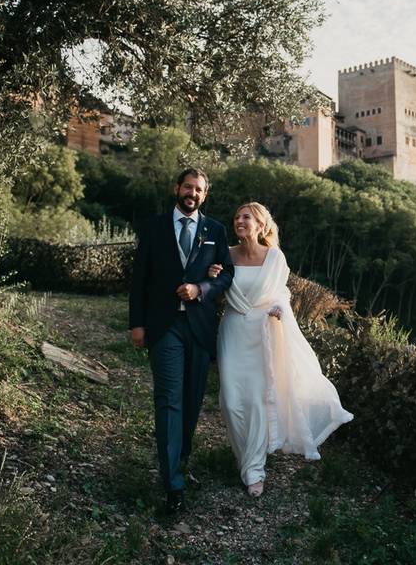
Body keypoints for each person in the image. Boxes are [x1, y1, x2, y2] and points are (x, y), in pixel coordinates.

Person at [207, 202, 353, 497]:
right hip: (234, 331)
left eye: (246, 217)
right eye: (236, 217)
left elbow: (281, 294)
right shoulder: (226, 254)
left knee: (259, 401)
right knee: (231, 401)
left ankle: (254, 469)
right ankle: (244, 456)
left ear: (261, 225)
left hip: (263, 333)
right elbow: (217, 287)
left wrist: (280, 310)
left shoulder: (275, 257)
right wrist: (211, 277)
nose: (239, 221)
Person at [129, 168, 234, 515]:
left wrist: (201, 288)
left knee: (191, 403)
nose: (192, 193)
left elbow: (226, 276)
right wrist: (137, 324)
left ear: (205, 195)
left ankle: (180, 459)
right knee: (169, 401)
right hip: (164, 327)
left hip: (200, 328)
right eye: (188, 187)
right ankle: (172, 484)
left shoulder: (215, 230)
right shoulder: (154, 227)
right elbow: (139, 279)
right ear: (176, 188)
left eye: (199, 190)